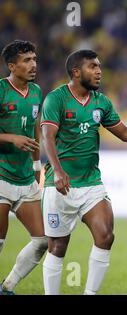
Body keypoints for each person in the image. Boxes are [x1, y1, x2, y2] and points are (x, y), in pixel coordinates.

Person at [40, 49, 127, 295]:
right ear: (76, 72)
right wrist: (58, 172)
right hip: (59, 184)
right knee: (58, 246)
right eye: (92, 67)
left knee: (105, 236)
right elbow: (47, 137)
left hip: (91, 183)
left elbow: (125, 133)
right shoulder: (56, 99)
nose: (98, 71)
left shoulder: (101, 102)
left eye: (99, 66)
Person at [0, 40, 47, 295]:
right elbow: (19, 136)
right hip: (1, 174)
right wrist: (11, 138)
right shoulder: (1, 90)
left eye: (35, 59)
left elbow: (35, 130)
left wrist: (38, 164)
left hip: (25, 177)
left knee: (42, 241)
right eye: (27, 60)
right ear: (11, 66)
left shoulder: (37, 92)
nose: (33, 65)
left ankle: (7, 287)